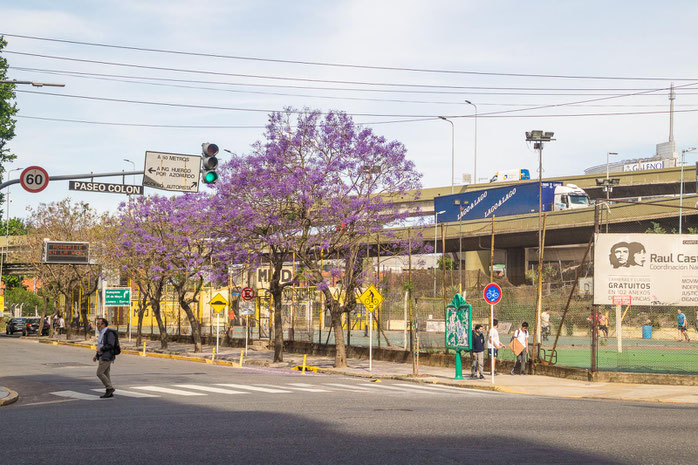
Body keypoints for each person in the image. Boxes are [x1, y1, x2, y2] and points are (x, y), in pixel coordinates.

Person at [93, 318, 118, 398]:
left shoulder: (109, 333)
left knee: (99, 373)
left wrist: (101, 350)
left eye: (98, 324)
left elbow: (110, 345)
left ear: (103, 324)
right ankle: (109, 391)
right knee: (106, 374)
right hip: (102, 355)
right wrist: (96, 355)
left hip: (107, 356)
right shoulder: (102, 333)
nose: (97, 325)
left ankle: (110, 388)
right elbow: (100, 345)